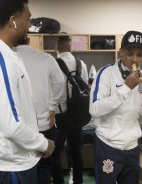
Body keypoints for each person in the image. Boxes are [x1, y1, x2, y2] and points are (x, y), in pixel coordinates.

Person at [0, 0, 55, 183]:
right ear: (13, 21)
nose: (29, 25)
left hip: (11, 163)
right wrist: (44, 144)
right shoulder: (0, 61)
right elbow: (12, 125)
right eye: (28, 19)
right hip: (10, 168)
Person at [89, 30, 142, 184]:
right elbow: (94, 109)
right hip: (108, 145)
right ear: (121, 52)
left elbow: (141, 110)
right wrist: (125, 88)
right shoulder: (106, 73)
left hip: (132, 147)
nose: (135, 59)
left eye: (140, 54)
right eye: (130, 54)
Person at [15, 37, 65, 184]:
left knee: (23, 168)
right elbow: (60, 81)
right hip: (45, 122)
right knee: (44, 167)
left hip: (19, 126)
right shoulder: (45, 57)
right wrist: (52, 106)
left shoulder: (9, 57)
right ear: (29, 40)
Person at [51, 36, 88, 184]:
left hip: (60, 116)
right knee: (77, 153)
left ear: (57, 47)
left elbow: (52, 90)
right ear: (70, 47)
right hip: (78, 116)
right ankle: (78, 181)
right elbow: (84, 88)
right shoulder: (81, 64)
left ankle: (59, 181)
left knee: (55, 154)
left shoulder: (53, 63)